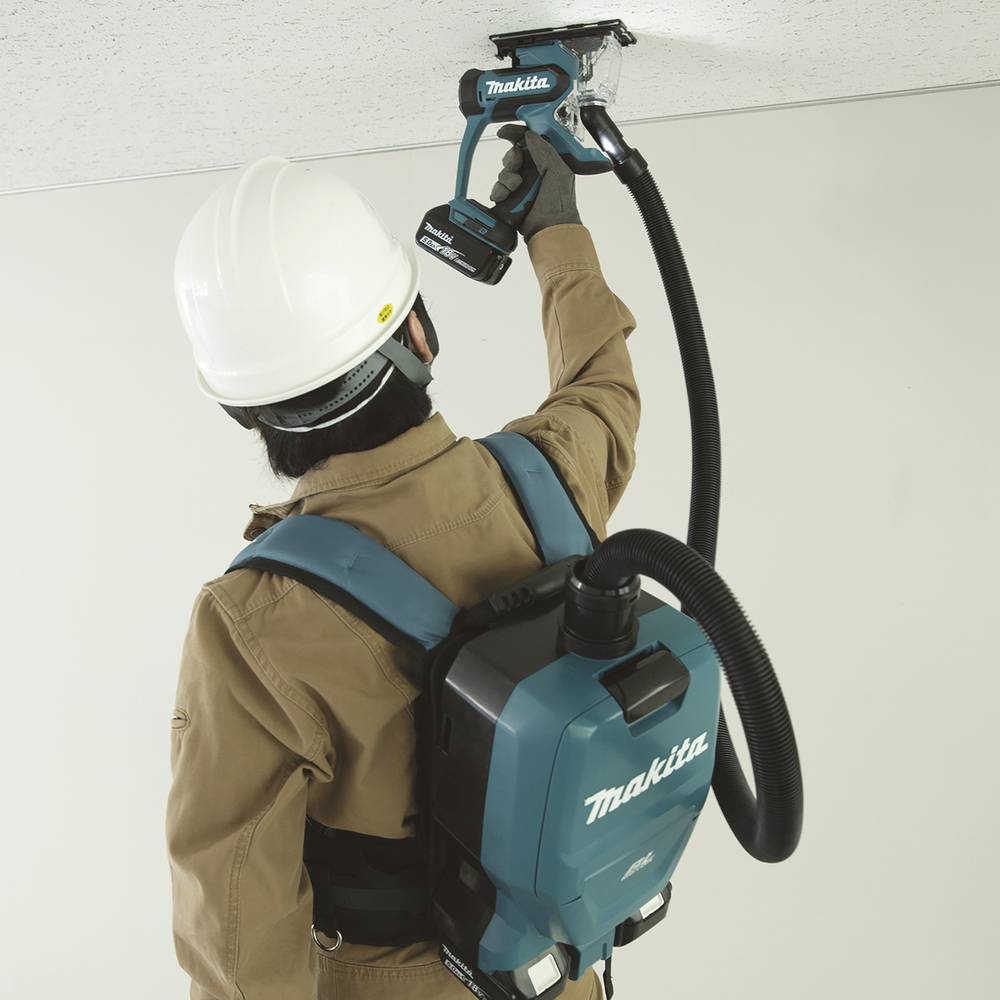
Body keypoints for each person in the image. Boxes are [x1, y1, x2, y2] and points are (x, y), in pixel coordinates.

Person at [167, 126, 640, 1000]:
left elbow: (238, 923)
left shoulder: (253, 622)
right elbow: (603, 386)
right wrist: (556, 227)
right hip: (562, 966)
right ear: (417, 334)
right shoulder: (551, 478)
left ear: (248, 416)